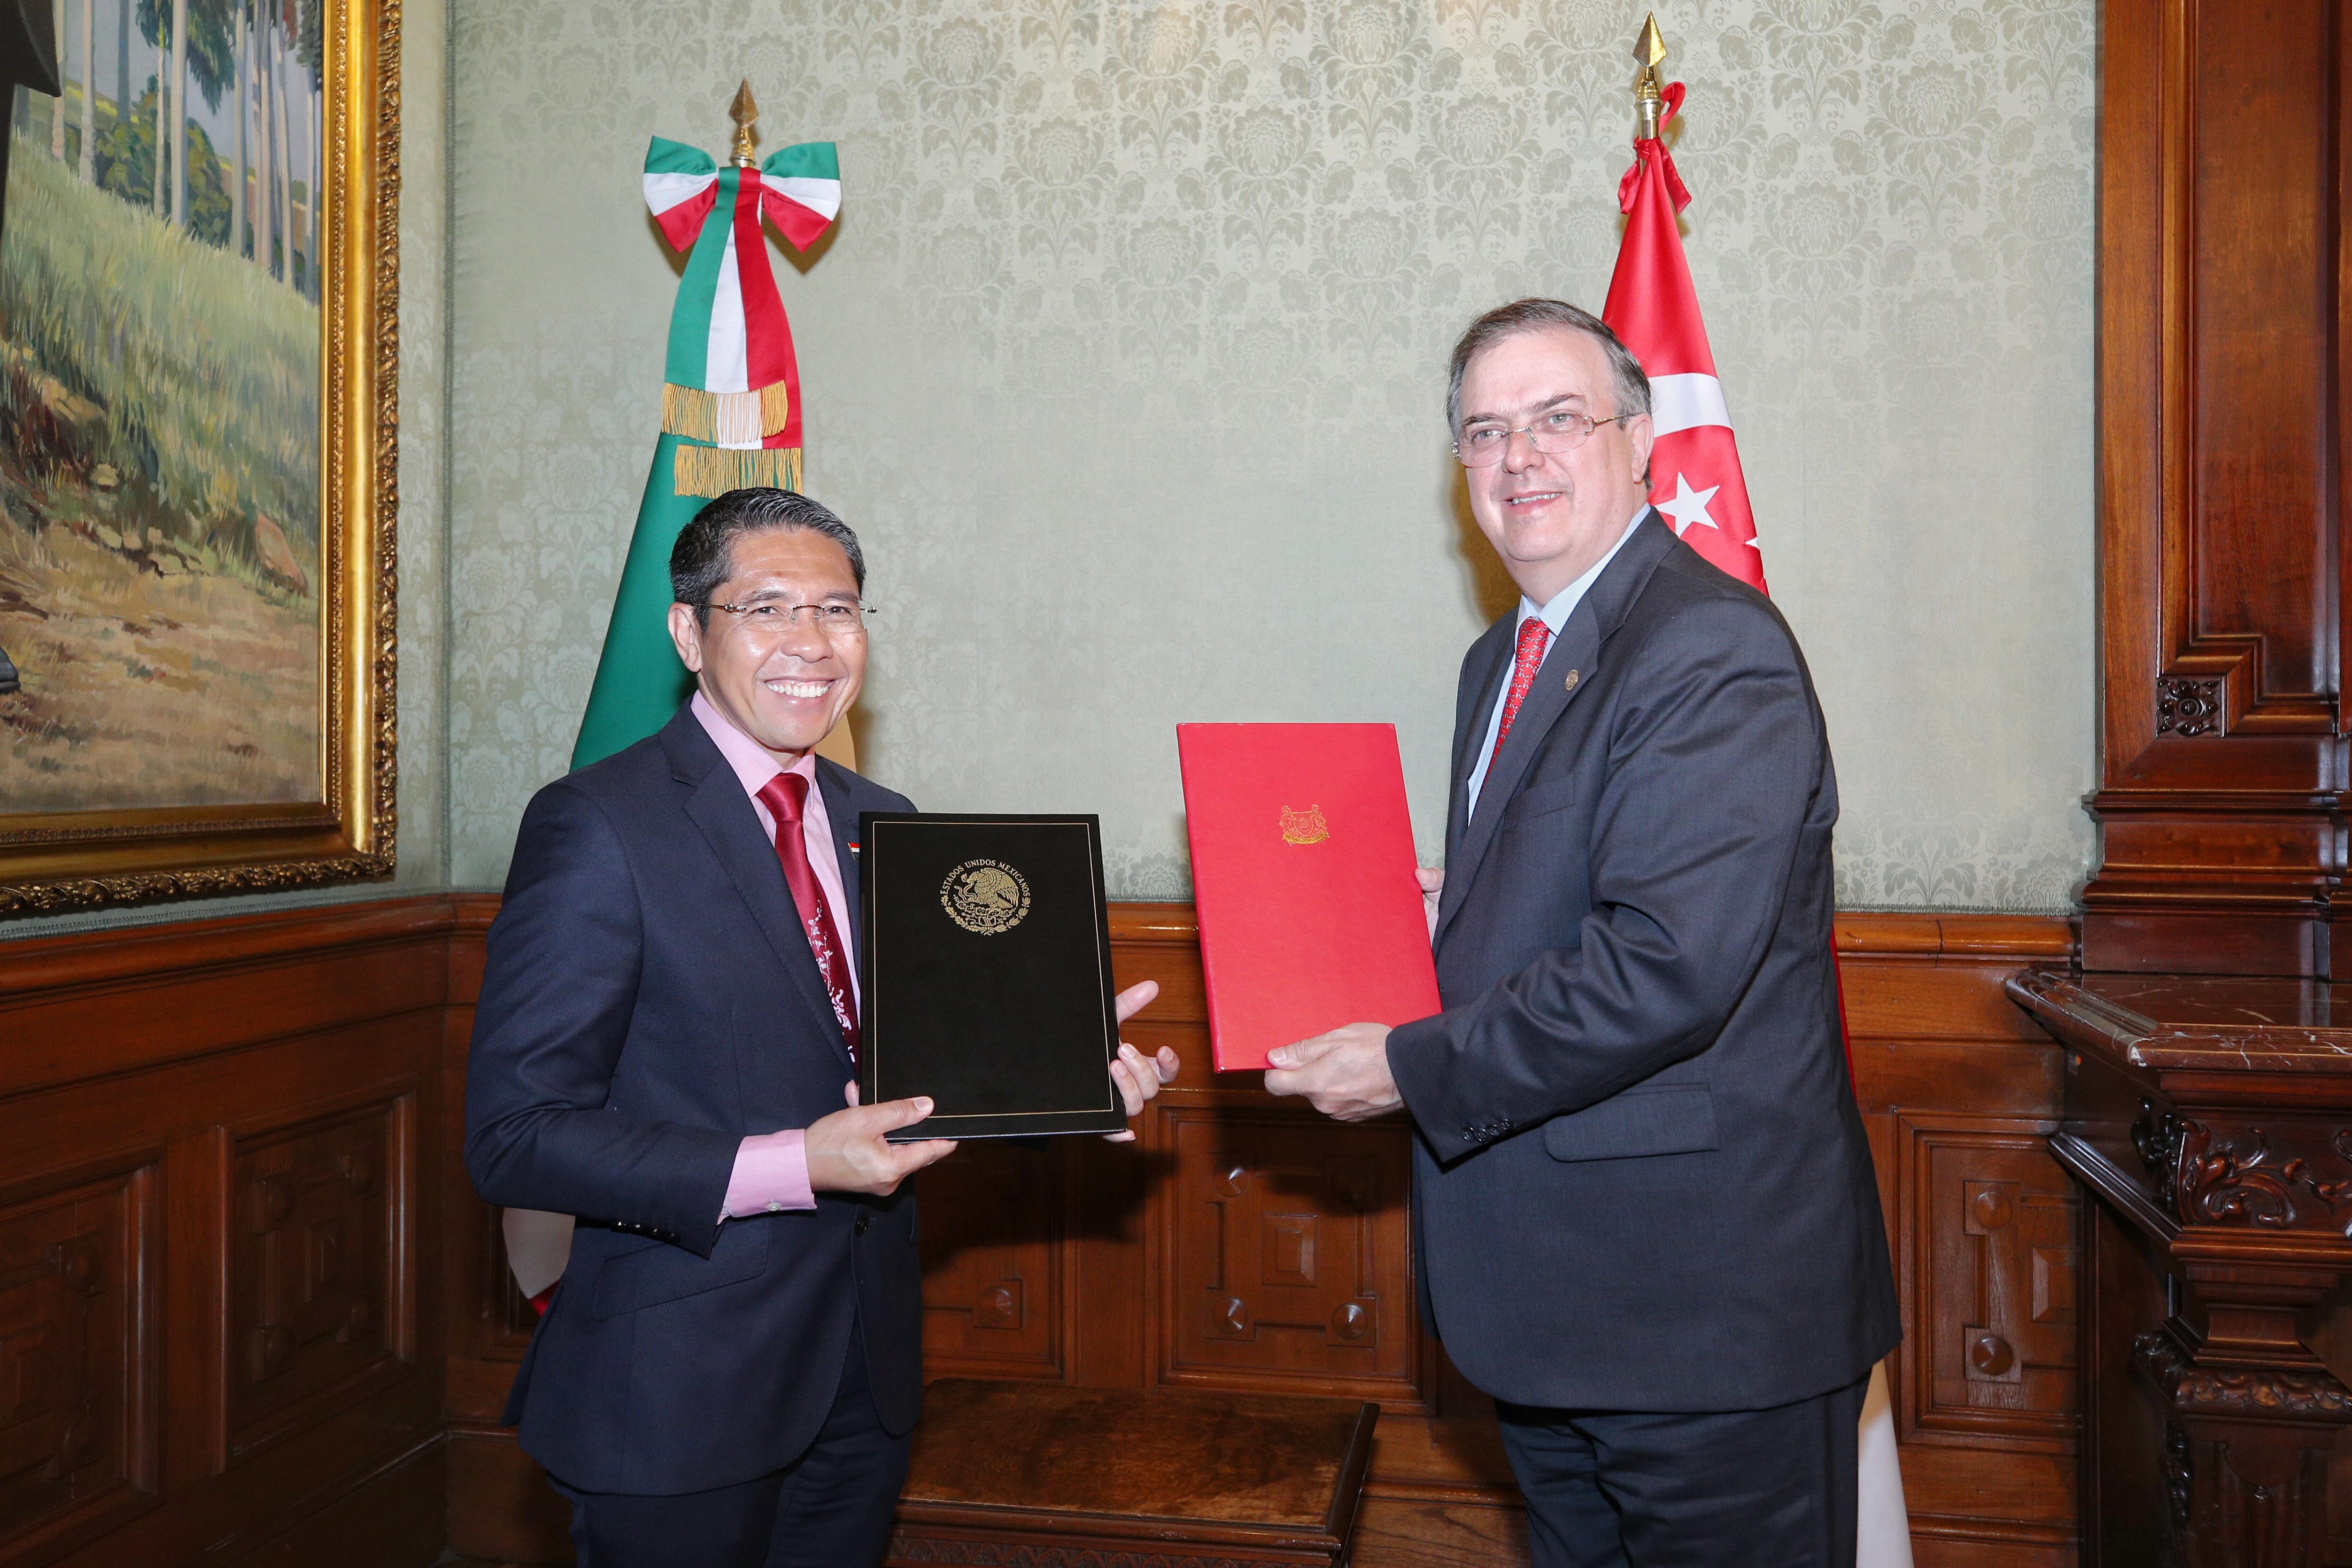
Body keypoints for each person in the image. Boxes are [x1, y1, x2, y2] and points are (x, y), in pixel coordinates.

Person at [1264, 300, 1899, 1568]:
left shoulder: (1708, 646)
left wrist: (1406, 1062)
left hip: (1703, 1321)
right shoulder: (1501, 657)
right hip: (1562, 1310)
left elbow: (1666, 965)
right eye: (1485, 433)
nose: (1520, 459)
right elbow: (1585, 882)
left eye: (1559, 418)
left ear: (1641, 436)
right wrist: (1453, 901)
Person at [464, 487, 1179, 1568]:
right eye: (767, 608)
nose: (810, 642)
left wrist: (1071, 1085)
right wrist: (793, 1162)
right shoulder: (597, 824)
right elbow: (515, 1132)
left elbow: (914, 1080)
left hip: (862, 1378)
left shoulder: (880, 820)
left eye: (837, 611)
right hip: (677, 1390)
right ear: (687, 631)